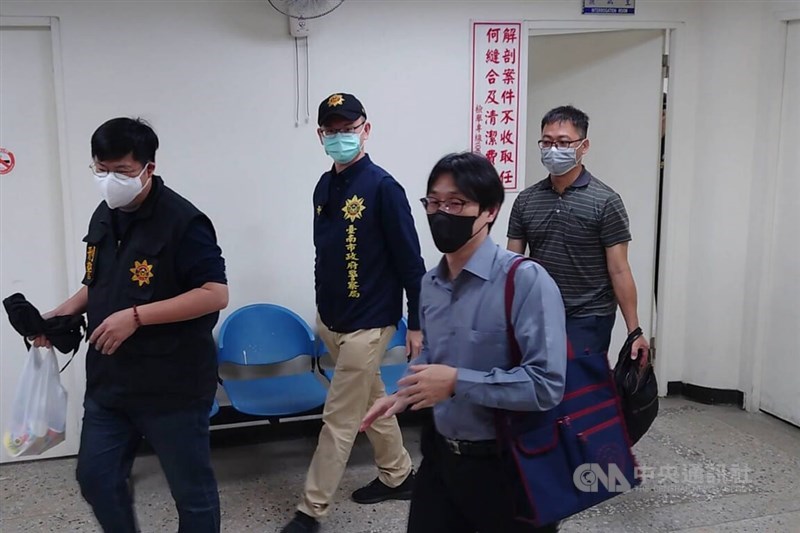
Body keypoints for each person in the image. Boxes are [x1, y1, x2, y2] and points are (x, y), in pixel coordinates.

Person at [32, 117, 227, 532]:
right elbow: (96, 283)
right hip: (110, 382)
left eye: (120, 172)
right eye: (100, 170)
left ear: (148, 168)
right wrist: (58, 316)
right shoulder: (104, 214)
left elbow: (214, 293)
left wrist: (136, 316)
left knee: (192, 495)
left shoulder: (184, 222)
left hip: (172, 385)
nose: (108, 181)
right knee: (96, 478)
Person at [361, 152, 567, 533]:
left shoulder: (525, 281)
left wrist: (457, 382)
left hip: (509, 465)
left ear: (489, 210)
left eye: (456, 203)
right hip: (441, 459)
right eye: (434, 202)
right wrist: (404, 394)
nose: (442, 213)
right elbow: (434, 358)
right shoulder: (430, 284)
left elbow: (546, 385)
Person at [282, 93, 426, 533]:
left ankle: (311, 510)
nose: (340, 137)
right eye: (332, 130)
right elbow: (322, 254)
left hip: (371, 322)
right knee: (368, 398)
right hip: (332, 320)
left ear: (366, 129)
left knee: (339, 417)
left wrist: (417, 322)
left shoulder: (384, 188)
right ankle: (399, 474)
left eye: (349, 128)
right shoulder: (324, 187)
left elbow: (411, 263)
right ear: (320, 135)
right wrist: (322, 311)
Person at [507, 105, 650, 361]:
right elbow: (512, 263)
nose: (553, 150)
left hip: (590, 315)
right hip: (540, 312)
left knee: (582, 391)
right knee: (541, 390)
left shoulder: (605, 201)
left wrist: (634, 330)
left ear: (583, 146)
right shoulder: (526, 201)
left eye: (563, 143)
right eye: (547, 142)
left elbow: (619, 269)